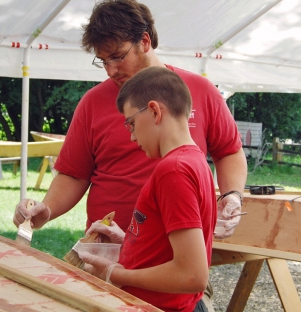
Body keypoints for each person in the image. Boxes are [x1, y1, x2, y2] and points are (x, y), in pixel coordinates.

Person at [13, 0, 247, 310]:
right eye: (102, 60)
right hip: (116, 253)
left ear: (145, 41)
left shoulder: (198, 93)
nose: (110, 70)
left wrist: (231, 194)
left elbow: (230, 150)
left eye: (117, 56)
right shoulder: (93, 102)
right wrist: (47, 209)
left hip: (165, 269)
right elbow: (73, 172)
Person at [79, 66, 217, 312]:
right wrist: (131, 241)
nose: (132, 137)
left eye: (131, 123)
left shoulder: (173, 170)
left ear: (154, 111)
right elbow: (175, 246)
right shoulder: (195, 161)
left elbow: (193, 275)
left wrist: (114, 274)